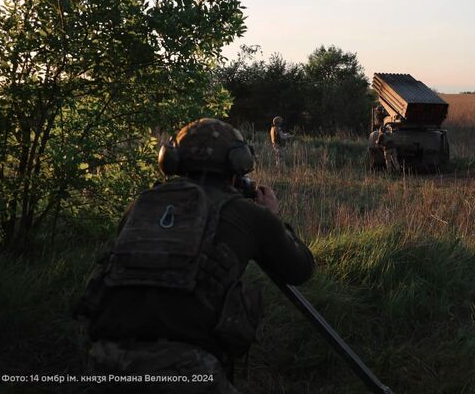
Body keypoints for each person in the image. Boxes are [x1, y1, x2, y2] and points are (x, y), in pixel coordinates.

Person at [74, 118, 315, 393]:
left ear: (172, 160)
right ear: (236, 163)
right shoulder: (248, 215)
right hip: (188, 370)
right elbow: (300, 270)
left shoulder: (142, 205)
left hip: (104, 358)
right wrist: (273, 217)